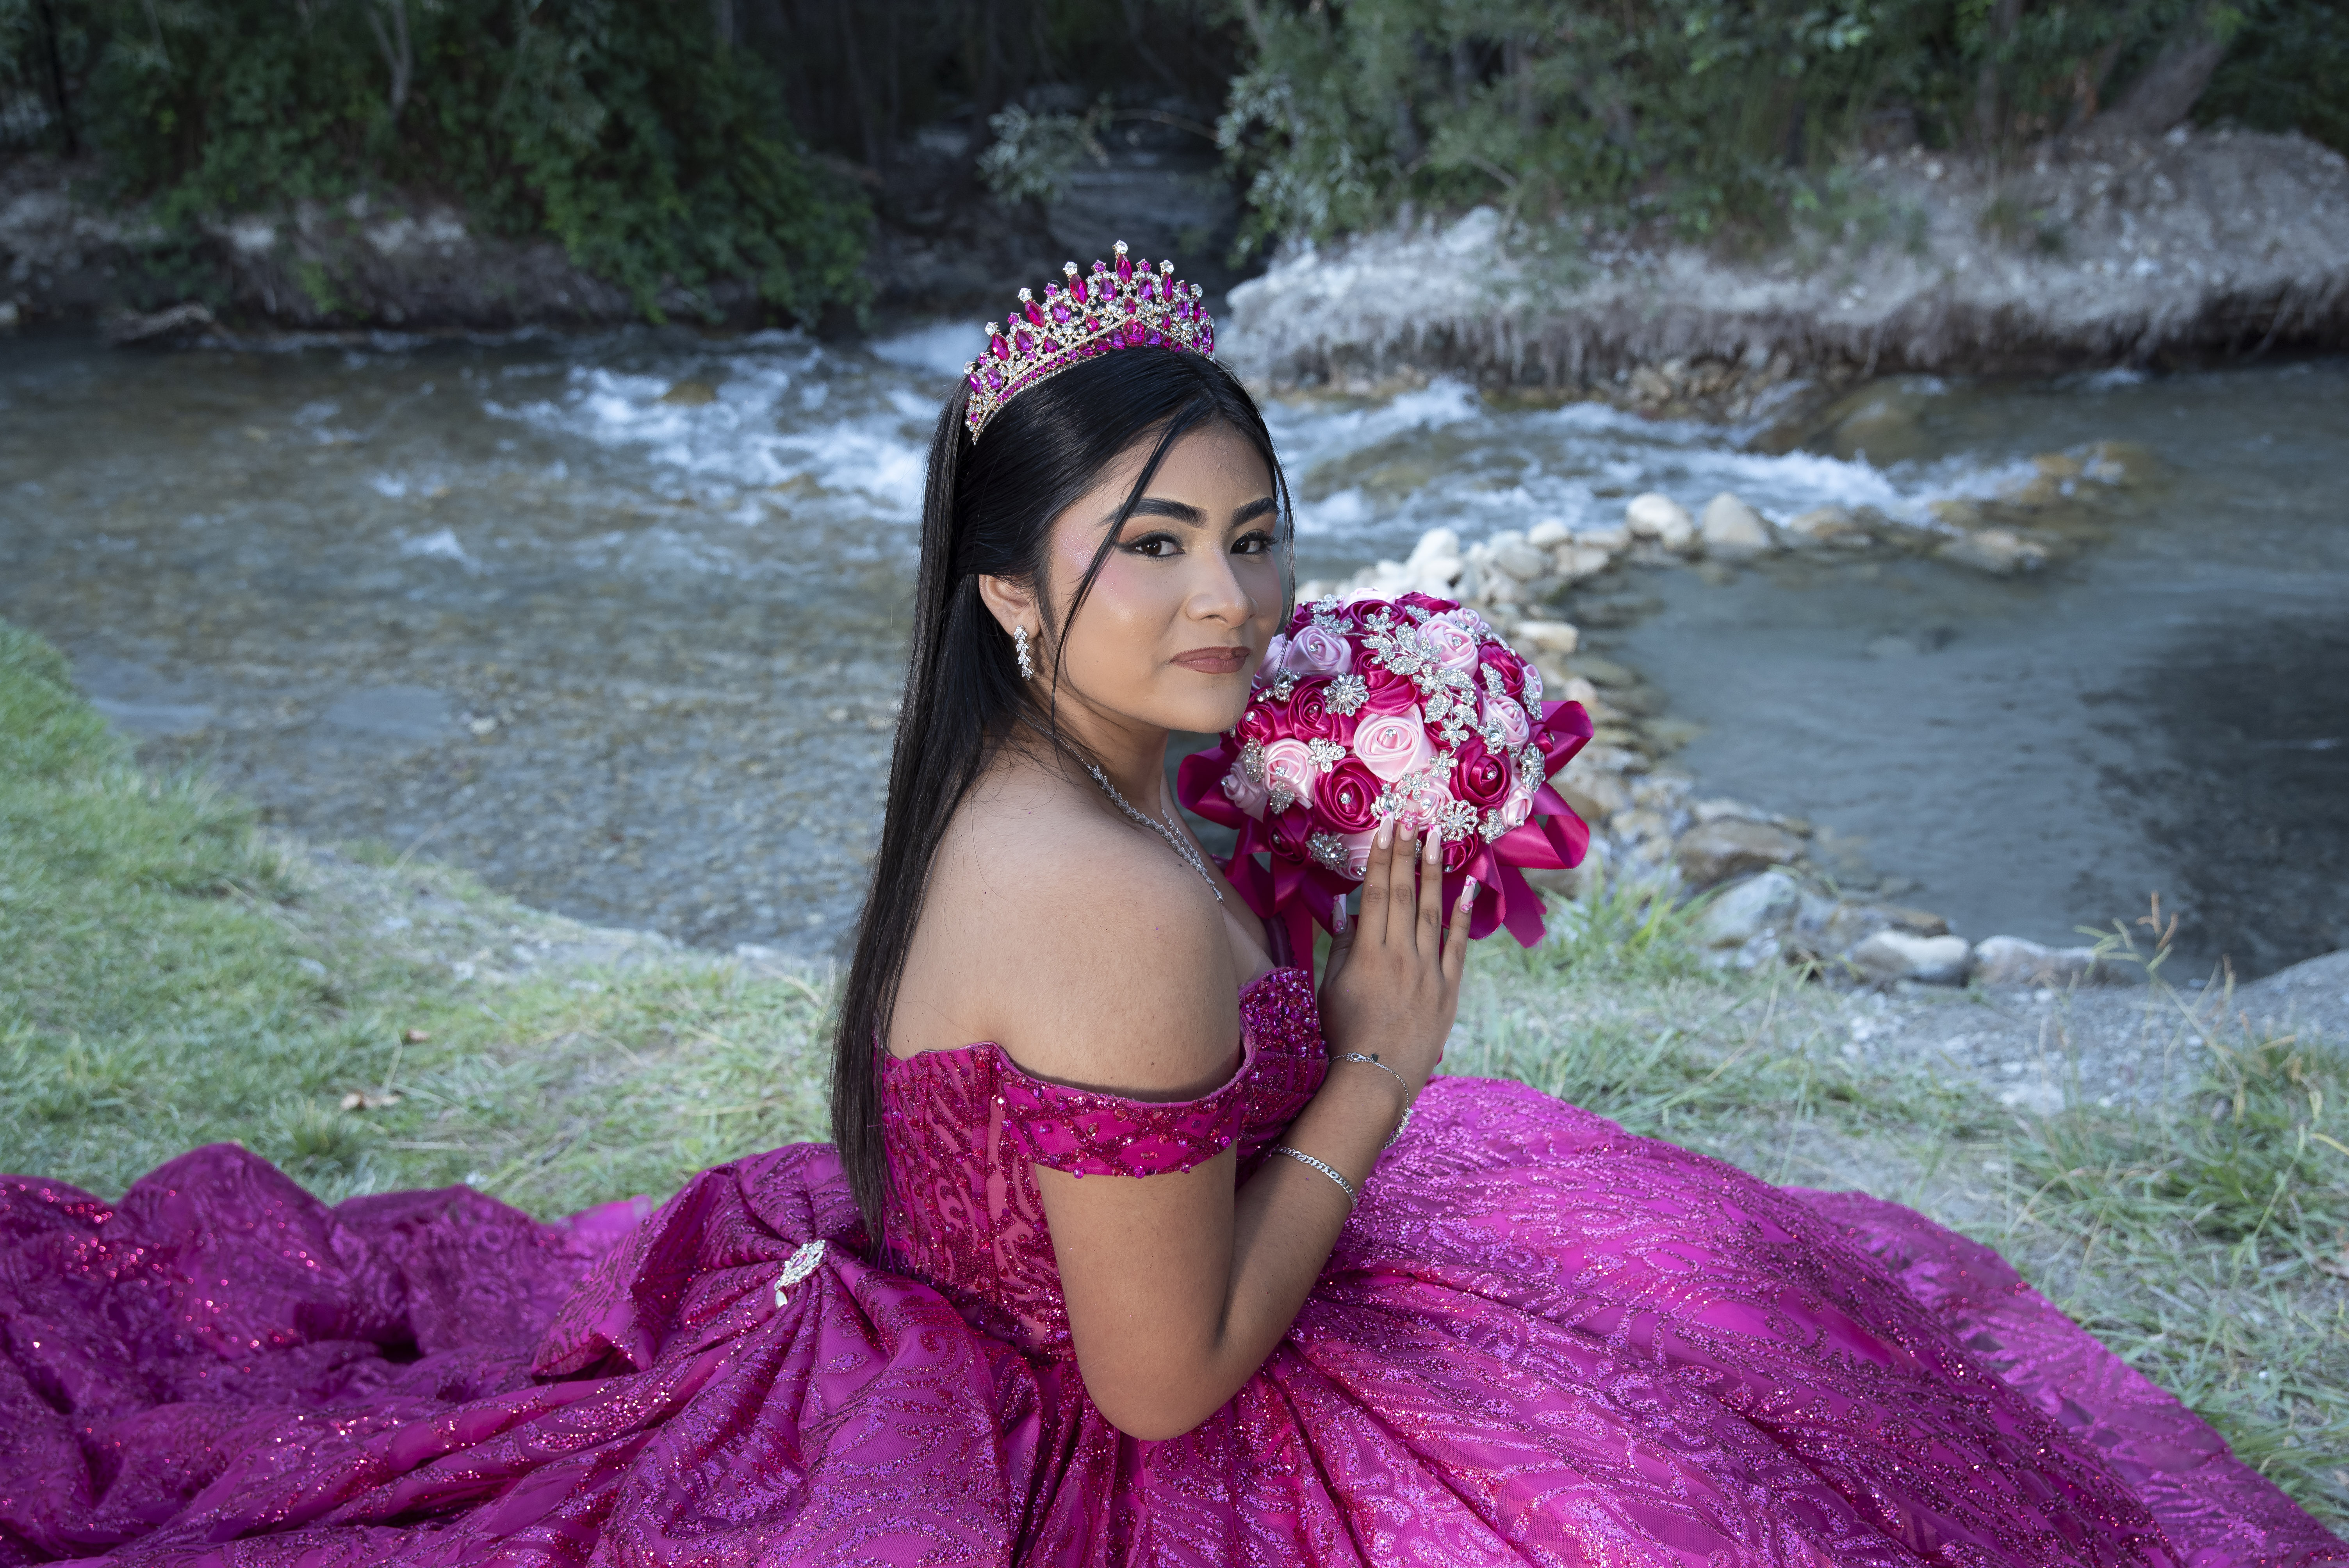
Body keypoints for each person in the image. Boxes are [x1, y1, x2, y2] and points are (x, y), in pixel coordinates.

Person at [0, 250, 2339, 1568]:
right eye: (1152, 548)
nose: (1228, 599)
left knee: (1720, 1301)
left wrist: (1333, 849)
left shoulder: (1080, 777)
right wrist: (1380, 1068)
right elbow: (1157, 1380)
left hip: (1093, 1263)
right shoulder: (1089, 888)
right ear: (1014, 593)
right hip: (1099, 1414)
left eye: (1252, 535)